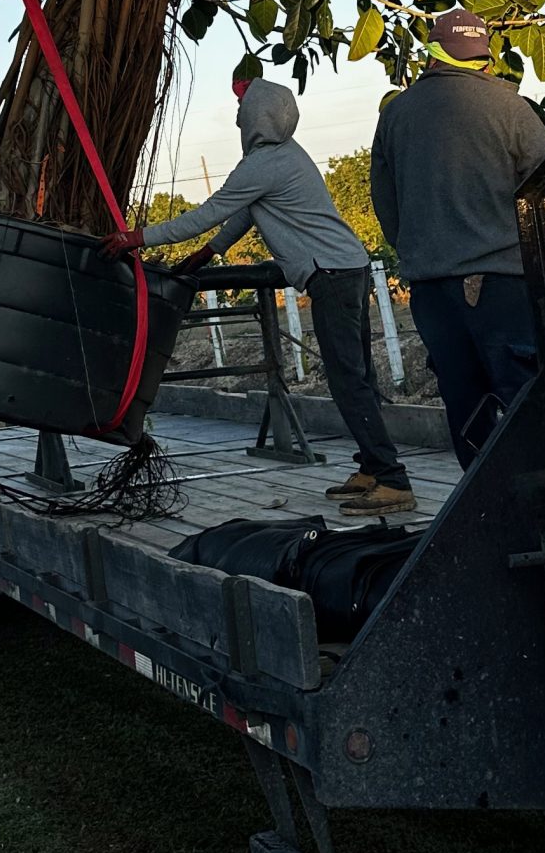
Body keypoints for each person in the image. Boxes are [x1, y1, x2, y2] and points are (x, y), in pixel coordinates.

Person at [134, 67, 414, 516]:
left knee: (348, 381)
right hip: (349, 266)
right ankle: (371, 468)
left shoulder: (263, 164)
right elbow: (245, 214)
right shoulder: (288, 155)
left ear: (255, 117)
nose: (237, 117)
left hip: (332, 275)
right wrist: (206, 254)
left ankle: (393, 481)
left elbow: (206, 212)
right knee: (358, 376)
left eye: (241, 109)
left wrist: (138, 238)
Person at [369, 8, 545, 468]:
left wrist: (419, 251)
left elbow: (384, 201)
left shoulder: (395, 115)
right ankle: (542, 510)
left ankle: (484, 512)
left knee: (466, 407)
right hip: (501, 282)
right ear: (483, 58)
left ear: (431, 56)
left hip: (431, 289)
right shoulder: (511, 108)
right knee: (523, 401)